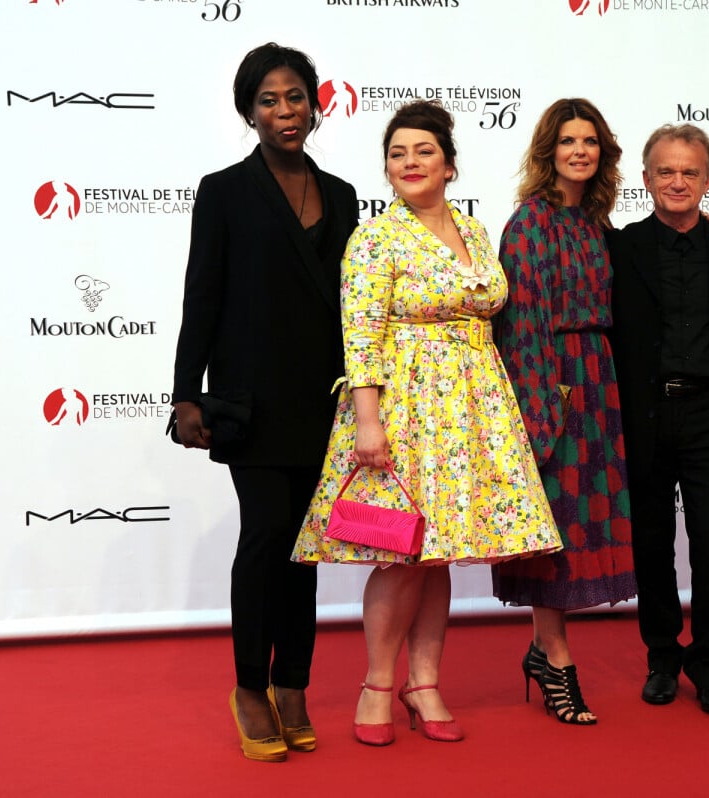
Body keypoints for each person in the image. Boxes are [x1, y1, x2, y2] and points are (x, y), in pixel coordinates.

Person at [291, 100, 562, 746]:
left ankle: (425, 681)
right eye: (397, 154)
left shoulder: (474, 234)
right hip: (405, 406)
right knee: (401, 554)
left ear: (450, 165)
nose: (409, 163)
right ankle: (378, 684)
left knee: (437, 558)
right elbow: (360, 332)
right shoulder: (377, 236)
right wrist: (368, 420)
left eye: (423, 152)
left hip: (471, 407)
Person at [171, 43, 360, 762]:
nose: (286, 112)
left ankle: (293, 686)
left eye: (296, 97)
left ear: (317, 103)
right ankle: (251, 687)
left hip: (324, 400)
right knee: (266, 538)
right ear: (248, 112)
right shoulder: (223, 190)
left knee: (304, 552)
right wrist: (189, 393)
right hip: (249, 400)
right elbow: (202, 297)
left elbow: (354, 306)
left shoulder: (341, 195)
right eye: (269, 100)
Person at [491, 98, 637, 725]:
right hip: (552, 387)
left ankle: (540, 650)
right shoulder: (529, 223)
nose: (580, 150)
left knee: (580, 528)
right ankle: (556, 658)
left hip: (598, 384)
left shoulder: (597, 224)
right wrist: (541, 410)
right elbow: (521, 323)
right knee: (553, 529)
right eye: (568, 140)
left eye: (591, 141)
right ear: (547, 149)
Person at [606, 124, 709, 716]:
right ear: (645, 179)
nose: (677, 182)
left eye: (689, 172)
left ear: (707, 181)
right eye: (665, 171)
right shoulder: (618, 247)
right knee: (652, 543)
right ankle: (662, 658)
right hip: (643, 414)